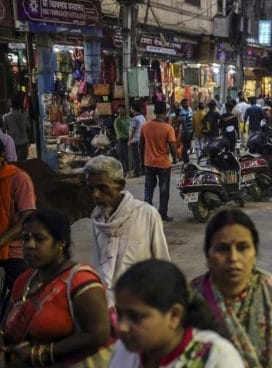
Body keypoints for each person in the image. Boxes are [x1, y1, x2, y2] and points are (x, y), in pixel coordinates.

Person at [191, 210, 272, 368]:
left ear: (255, 253)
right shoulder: (192, 300)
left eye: (242, 247)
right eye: (222, 248)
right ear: (208, 255)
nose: (233, 258)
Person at [2, 209, 112, 367]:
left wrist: (40, 353)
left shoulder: (81, 281)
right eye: (26, 238)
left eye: (39, 239)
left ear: (61, 243)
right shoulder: (24, 280)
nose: (29, 245)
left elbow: (98, 334)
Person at [109, 260, 245, 368]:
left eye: (136, 317)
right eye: (120, 314)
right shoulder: (126, 349)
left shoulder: (217, 357)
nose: (122, 327)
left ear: (174, 315)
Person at [85, 155, 170, 307]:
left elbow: (162, 264)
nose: (95, 195)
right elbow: (97, 268)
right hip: (106, 307)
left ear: (120, 185)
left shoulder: (146, 214)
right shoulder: (97, 219)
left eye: (102, 188)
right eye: (91, 189)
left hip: (139, 305)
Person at [0, 139, 36, 310]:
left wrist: (2, 240)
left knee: (28, 296)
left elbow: (27, 218)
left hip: (14, 249)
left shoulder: (18, 178)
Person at [140, 101, 178, 222]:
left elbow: (141, 146)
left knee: (148, 189)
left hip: (149, 163)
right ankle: (162, 214)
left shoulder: (145, 126)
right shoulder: (168, 128)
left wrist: (142, 160)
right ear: (165, 113)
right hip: (163, 165)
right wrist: (175, 158)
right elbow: (173, 146)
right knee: (164, 190)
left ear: (155, 112)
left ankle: (148, 215)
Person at [128, 103, 146, 177]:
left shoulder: (134, 119)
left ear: (133, 109)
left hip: (135, 140)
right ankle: (142, 170)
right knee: (141, 156)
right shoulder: (142, 117)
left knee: (135, 157)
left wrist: (129, 140)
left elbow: (133, 130)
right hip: (141, 139)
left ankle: (136, 172)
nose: (130, 109)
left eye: (131, 108)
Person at [114, 104, 131, 172]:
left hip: (129, 139)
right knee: (123, 156)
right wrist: (125, 137)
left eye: (121, 109)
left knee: (128, 156)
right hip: (121, 140)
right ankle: (124, 170)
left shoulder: (129, 119)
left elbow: (132, 128)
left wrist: (130, 137)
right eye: (118, 109)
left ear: (124, 110)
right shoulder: (117, 120)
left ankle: (129, 169)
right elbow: (118, 132)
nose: (120, 110)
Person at [178, 98, 193, 163]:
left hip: (191, 131)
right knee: (185, 146)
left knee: (188, 146)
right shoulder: (182, 112)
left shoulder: (190, 109)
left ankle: (186, 158)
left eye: (187, 102)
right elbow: (184, 123)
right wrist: (187, 133)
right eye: (185, 103)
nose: (187, 104)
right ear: (182, 105)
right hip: (186, 132)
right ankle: (186, 160)